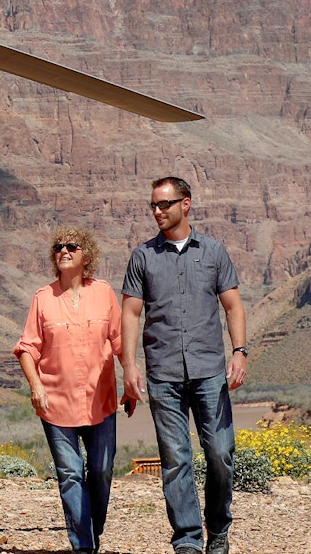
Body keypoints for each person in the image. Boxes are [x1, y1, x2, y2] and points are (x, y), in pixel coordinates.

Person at [120, 177, 248, 554]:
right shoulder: (142, 257)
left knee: (221, 455)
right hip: (163, 375)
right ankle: (188, 541)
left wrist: (239, 351)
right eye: (153, 206)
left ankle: (219, 528)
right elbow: (129, 314)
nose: (157, 212)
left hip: (209, 371)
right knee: (175, 460)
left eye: (165, 204)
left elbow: (233, 306)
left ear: (186, 204)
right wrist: (128, 366)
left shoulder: (213, 252)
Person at [14, 228, 126, 554]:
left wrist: (132, 381)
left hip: (100, 400)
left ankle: (93, 528)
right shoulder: (42, 299)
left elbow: (120, 341)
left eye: (71, 246)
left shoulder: (103, 293)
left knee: (102, 470)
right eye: (58, 247)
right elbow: (26, 349)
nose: (63, 250)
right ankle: (84, 546)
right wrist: (35, 387)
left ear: (85, 256)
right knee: (71, 474)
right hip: (55, 402)